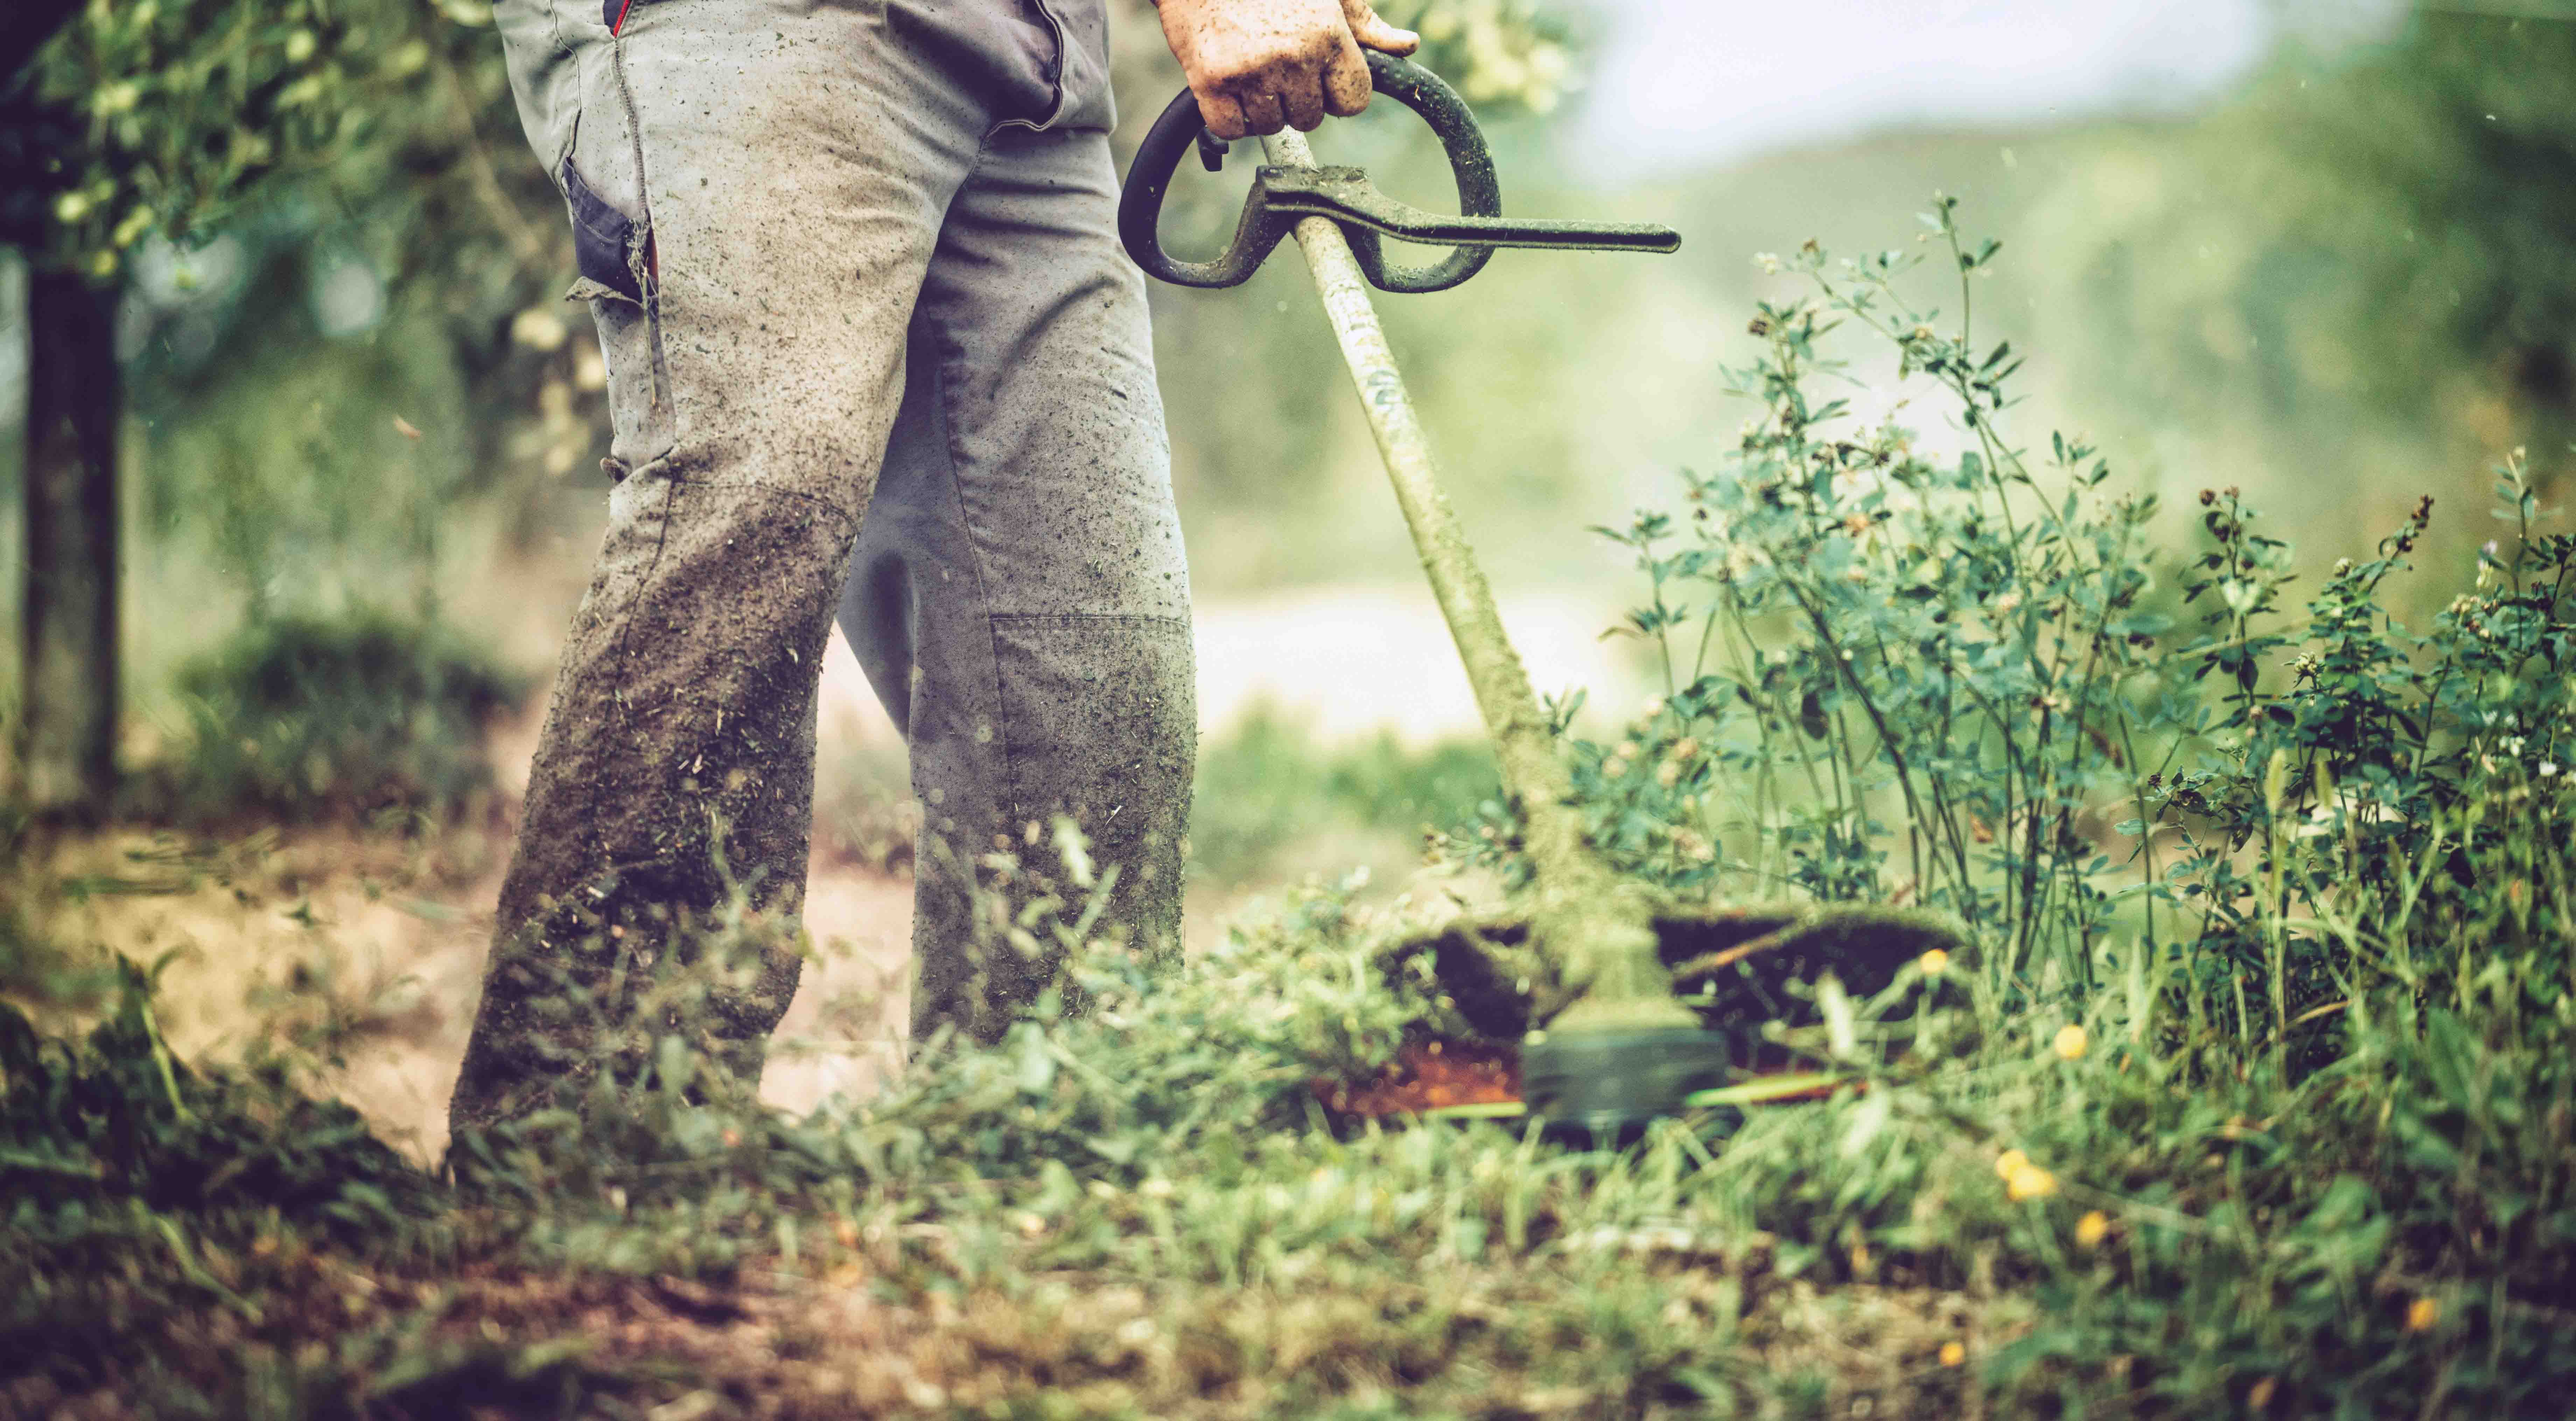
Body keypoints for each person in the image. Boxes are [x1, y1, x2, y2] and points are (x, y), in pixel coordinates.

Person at [446, 0, 1423, 1135]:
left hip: (1035, 64)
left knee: (1086, 625)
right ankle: (583, 1134)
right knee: (762, 488)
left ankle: (1048, 1136)